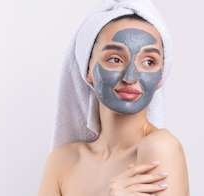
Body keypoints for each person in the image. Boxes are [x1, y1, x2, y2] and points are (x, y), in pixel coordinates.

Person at [38, 0, 189, 195]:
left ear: (160, 76)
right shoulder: (61, 161)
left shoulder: (160, 148)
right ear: (87, 69)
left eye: (149, 62)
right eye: (115, 59)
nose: (130, 77)